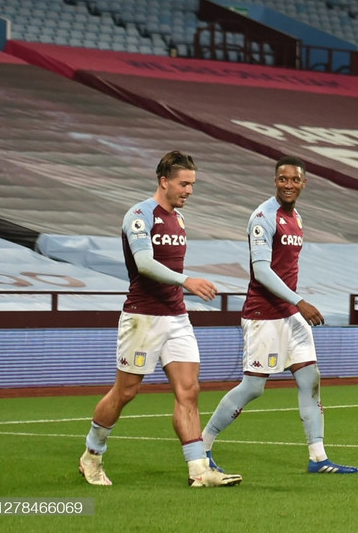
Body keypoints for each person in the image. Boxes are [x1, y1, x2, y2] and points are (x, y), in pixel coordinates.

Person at [79, 151, 241, 488]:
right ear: (164, 181)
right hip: (142, 318)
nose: (190, 191)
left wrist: (182, 291)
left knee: (189, 391)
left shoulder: (178, 219)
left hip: (176, 318)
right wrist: (187, 281)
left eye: (192, 184)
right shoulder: (140, 215)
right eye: (184, 184)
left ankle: (199, 470)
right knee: (126, 392)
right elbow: (144, 264)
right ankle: (92, 456)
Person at [201, 156, 357, 475]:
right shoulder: (263, 217)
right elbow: (261, 271)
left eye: (295, 180)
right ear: (275, 181)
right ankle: (202, 446)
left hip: (289, 315)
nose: (289, 184)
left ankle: (318, 457)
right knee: (254, 387)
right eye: (283, 179)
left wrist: (295, 306)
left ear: (304, 183)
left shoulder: (297, 217)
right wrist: (300, 301)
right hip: (264, 314)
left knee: (310, 379)